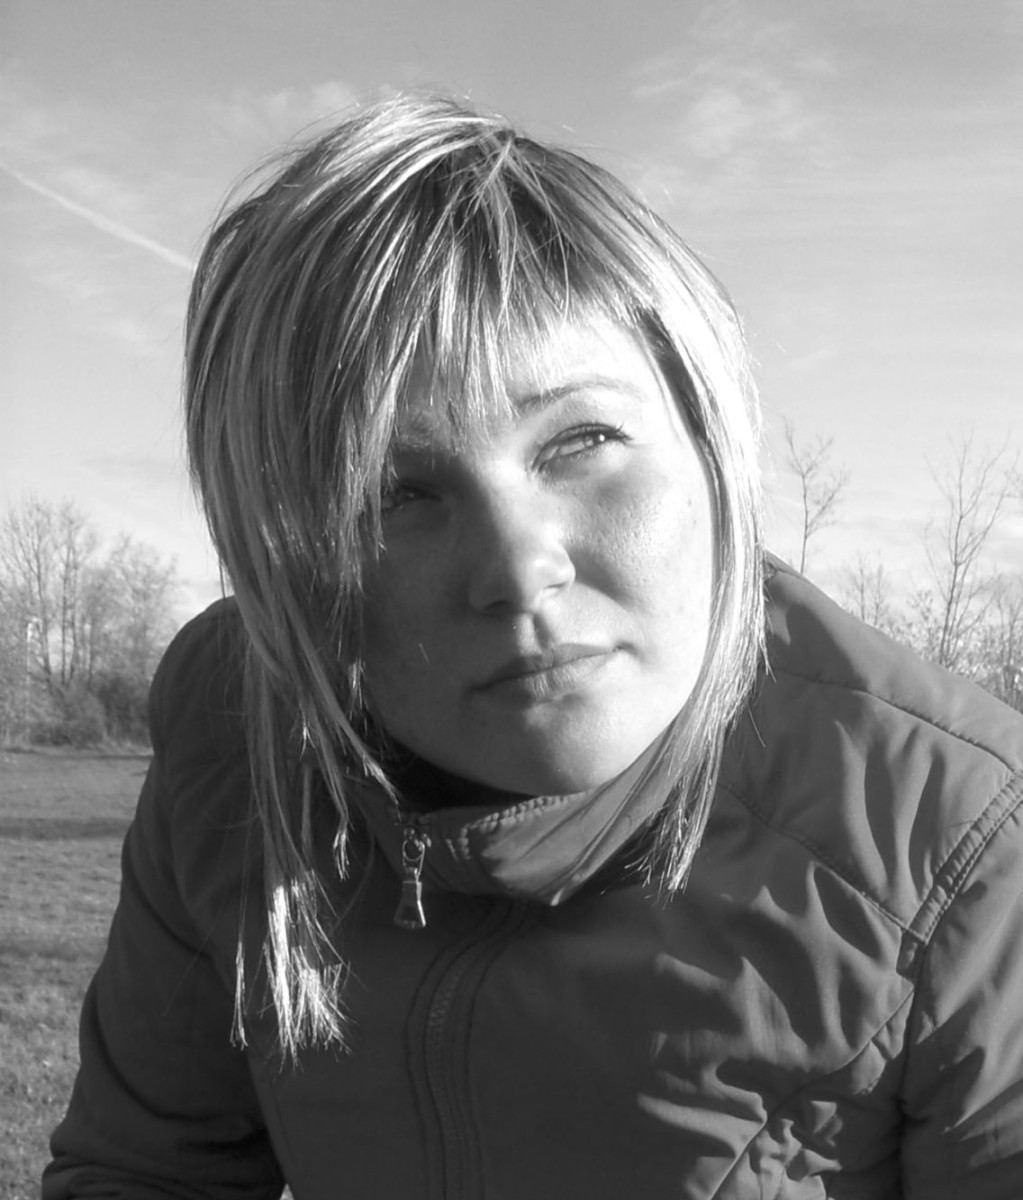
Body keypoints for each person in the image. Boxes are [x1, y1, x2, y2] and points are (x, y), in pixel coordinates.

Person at [45, 94, 1023, 1199]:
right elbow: (145, 1168)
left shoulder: (959, 839)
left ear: (711, 443)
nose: (517, 569)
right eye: (391, 494)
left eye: (583, 439)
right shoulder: (239, 725)